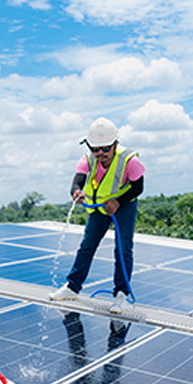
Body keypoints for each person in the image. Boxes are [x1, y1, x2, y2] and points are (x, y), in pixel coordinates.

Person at [49, 117, 145, 316]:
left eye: (105, 149)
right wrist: (77, 192)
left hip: (124, 205)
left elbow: (138, 187)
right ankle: (72, 287)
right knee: (87, 245)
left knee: (123, 248)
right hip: (100, 209)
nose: (100, 153)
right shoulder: (87, 160)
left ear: (115, 144)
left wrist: (118, 202)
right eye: (95, 149)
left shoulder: (130, 160)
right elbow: (77, 182)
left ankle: (121, 294)